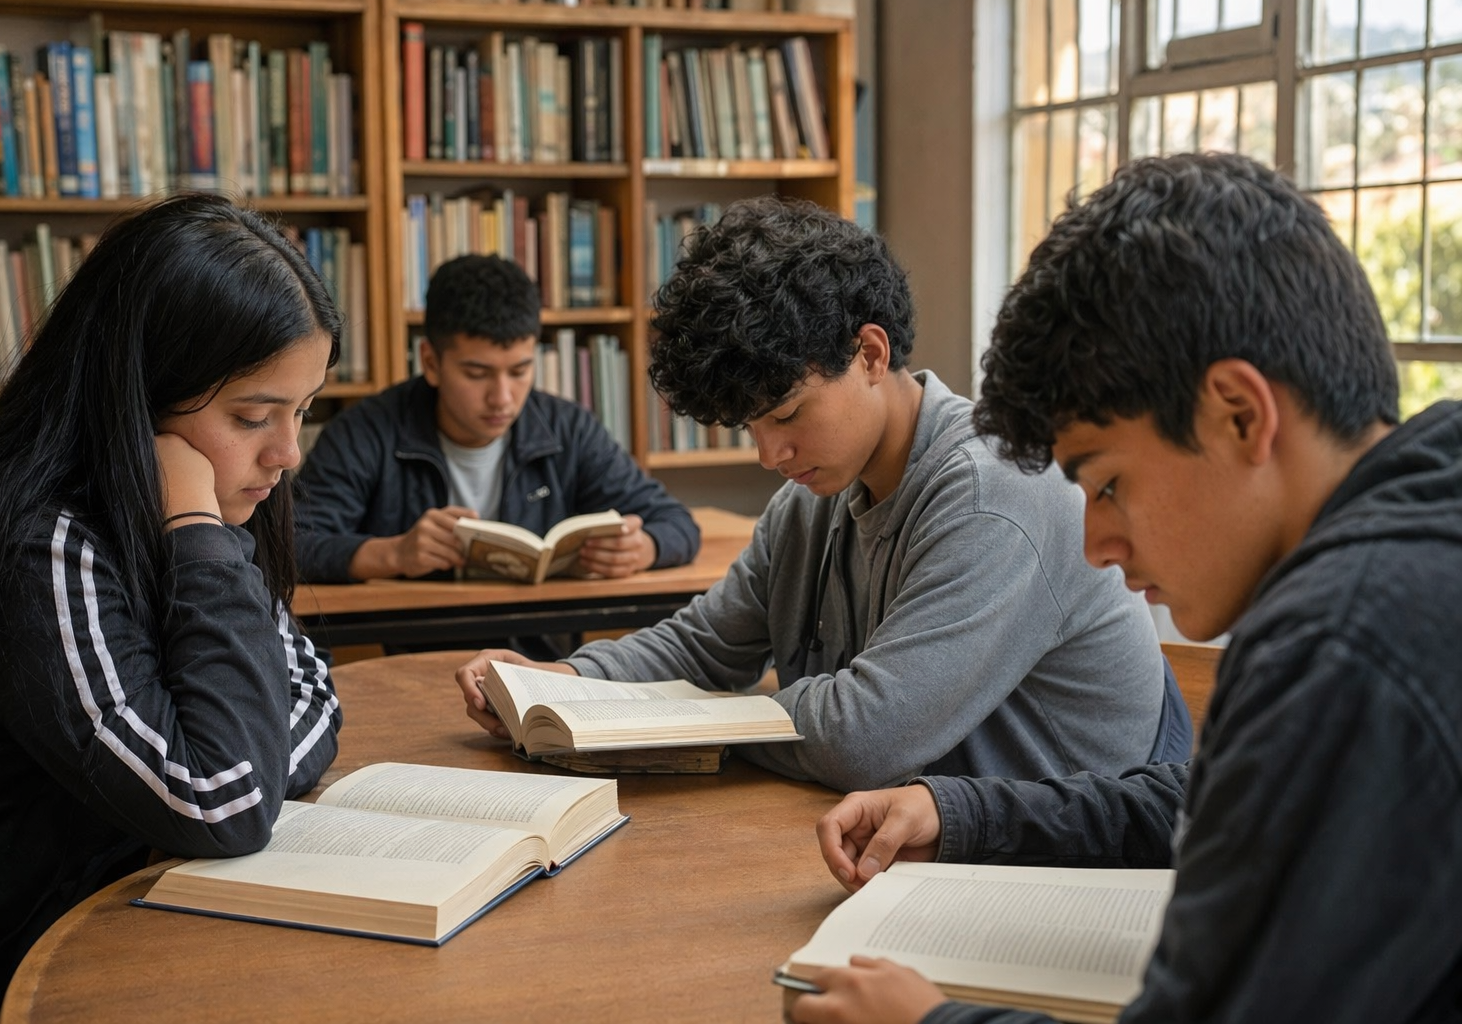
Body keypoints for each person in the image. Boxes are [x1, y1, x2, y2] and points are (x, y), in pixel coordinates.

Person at [799, 152, 1462, 1024]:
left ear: (1239, 414)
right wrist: (957, 812)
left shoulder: (1342, 645)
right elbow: (1208, 802)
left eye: (1106, 483)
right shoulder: (1426, 499)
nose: (1098, 546)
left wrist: (931, 1023)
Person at [455, 196, 1190, 794]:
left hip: (1061, 872)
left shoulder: (992, 493)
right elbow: (708, 645)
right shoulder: (813, 498)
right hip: (918, 847)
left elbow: (863, 741)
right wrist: (567, 682)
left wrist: (696, 723)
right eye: (751, 426)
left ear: (871, 354)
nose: (770, 454)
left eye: (786, 415)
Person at [0, 195, 344, 1023]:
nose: (288, 454)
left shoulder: (219, 516)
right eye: (253, 416)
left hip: (137, 920)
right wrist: (193, 528)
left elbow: (314, 695)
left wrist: (237, 770)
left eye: (302, 411)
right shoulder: (39, 548)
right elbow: (223, 802)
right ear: (139, 400)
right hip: (20, 973)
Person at [292, 253, 700, 586]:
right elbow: (292, 545)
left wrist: (644, 547)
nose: (502, 398)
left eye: (520, 371)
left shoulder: (567, 429)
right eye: (477, 374)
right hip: (411, 651)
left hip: (539, 660)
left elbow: (677, 523)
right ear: (431, 362)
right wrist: (392, 553)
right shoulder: (366, 432)